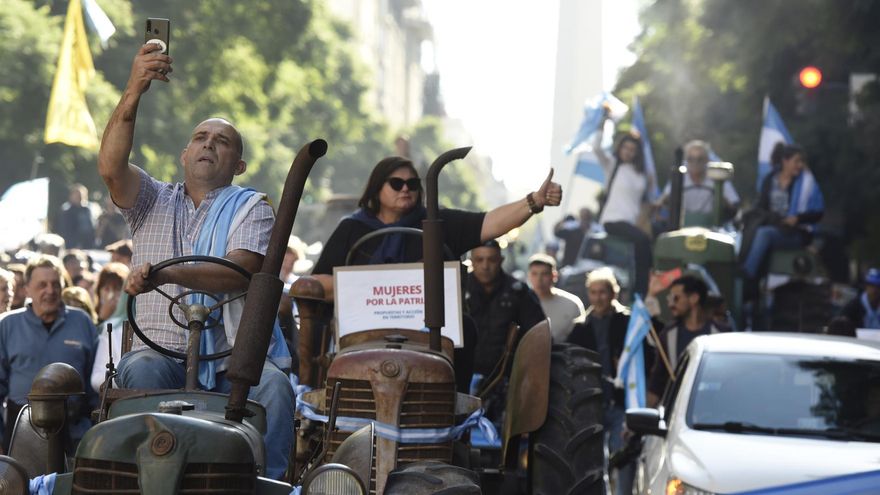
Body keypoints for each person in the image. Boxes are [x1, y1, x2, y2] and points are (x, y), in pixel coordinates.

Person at [96, 43, 293, 479]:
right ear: (184, 155)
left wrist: (159, 274)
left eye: (221, 141)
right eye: (200, 138)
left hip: (231, 363)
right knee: (142, 367)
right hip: (160, 354)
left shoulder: (250, 207)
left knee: (275, 388)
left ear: (237, 165)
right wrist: (134, 89)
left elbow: (235, 271)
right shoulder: (150, 200)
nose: (209, 145)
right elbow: (111, 168)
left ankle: (272, 484)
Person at [311, 154, 562, 285]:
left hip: (430, 336)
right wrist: (370, 285)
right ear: (377, 188)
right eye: (396, 184)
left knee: (469, 335)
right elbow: (318, 282)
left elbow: (491, 223)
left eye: (412, 184)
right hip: (360, 333)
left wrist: (534, 201)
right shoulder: (352, 228)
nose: (405, 189)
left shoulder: (437, 223)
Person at [0, 255, 98, 452]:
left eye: (55, 284)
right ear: (26, 288)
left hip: (75, 434)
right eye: (42, 285)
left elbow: (94, 384)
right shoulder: (7, 325)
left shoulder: (81, 321)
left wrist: (93, 430)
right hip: (21, 433)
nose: (50, 291)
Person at [565, 267, 636, 495]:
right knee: (594, 464)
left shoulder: (628, 321)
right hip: (592, 402)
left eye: (603, 292)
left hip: (620, 401)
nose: (598, 297)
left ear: (613, 293)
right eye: (593, 292)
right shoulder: (580, 327)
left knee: (623, 458)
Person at [741, 143, 824, 283]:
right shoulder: (770, 179)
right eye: (796, 161)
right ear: (785, 161)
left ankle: (746, 276)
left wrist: (797, 219)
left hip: (794, 232)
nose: (800, 165)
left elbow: (818, 213)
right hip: (774, 225)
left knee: (764, 234)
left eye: (802, 161)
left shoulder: (806, 184)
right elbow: (762, 206)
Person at [466, 241, 546, 379]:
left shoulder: (519, 292)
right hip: (463, 374)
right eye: (479, 260)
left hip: (508, 376)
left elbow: (538, 334)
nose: (485, 266)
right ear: (471, 261)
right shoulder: (457, 288)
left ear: (501, 260)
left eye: (491, 260)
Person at [647, 275, 727, 407]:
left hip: (714, 409)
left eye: (676, 298)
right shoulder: (668, 335)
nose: (671, 304)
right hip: (678, 410)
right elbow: (658, 381)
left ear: (694, 298)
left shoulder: (721, 335)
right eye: (670, 298)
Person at [595, 127, 654, 296]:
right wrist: (603, 122)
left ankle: (648, 282)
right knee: (642, 241)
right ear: (620, 148)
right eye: (625, 148)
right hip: (613, 220)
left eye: (632, 150)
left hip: (633, 223)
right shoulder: (612, 166)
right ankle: (641, 290)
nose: (628, 153)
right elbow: (597, 149)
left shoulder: (642, 174)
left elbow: (644, 202)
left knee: (646, 242)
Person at [656, 140, 740, 224]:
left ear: (707, 160)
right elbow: (663, 200)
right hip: (682, 226)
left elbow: (733, 207)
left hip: (712, 228)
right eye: (690, 159)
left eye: (700, 159)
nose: (695, 163)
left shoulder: (717, 175)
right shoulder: (679, 175)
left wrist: (720, 198)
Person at [527, 253, 584, 342]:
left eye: (544, 274)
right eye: (534, 274)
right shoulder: (520, 303)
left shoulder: (572, 304)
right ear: (529, 276)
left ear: (554, 276)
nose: (539, 279)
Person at [57, 184, 97, 249]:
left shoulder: (87, 210)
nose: (79, 198)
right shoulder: (66, 212)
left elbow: (91, 228)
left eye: (80, 196)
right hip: (72, 245)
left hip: (87, 245)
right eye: (77, 196)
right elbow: (65, 231)